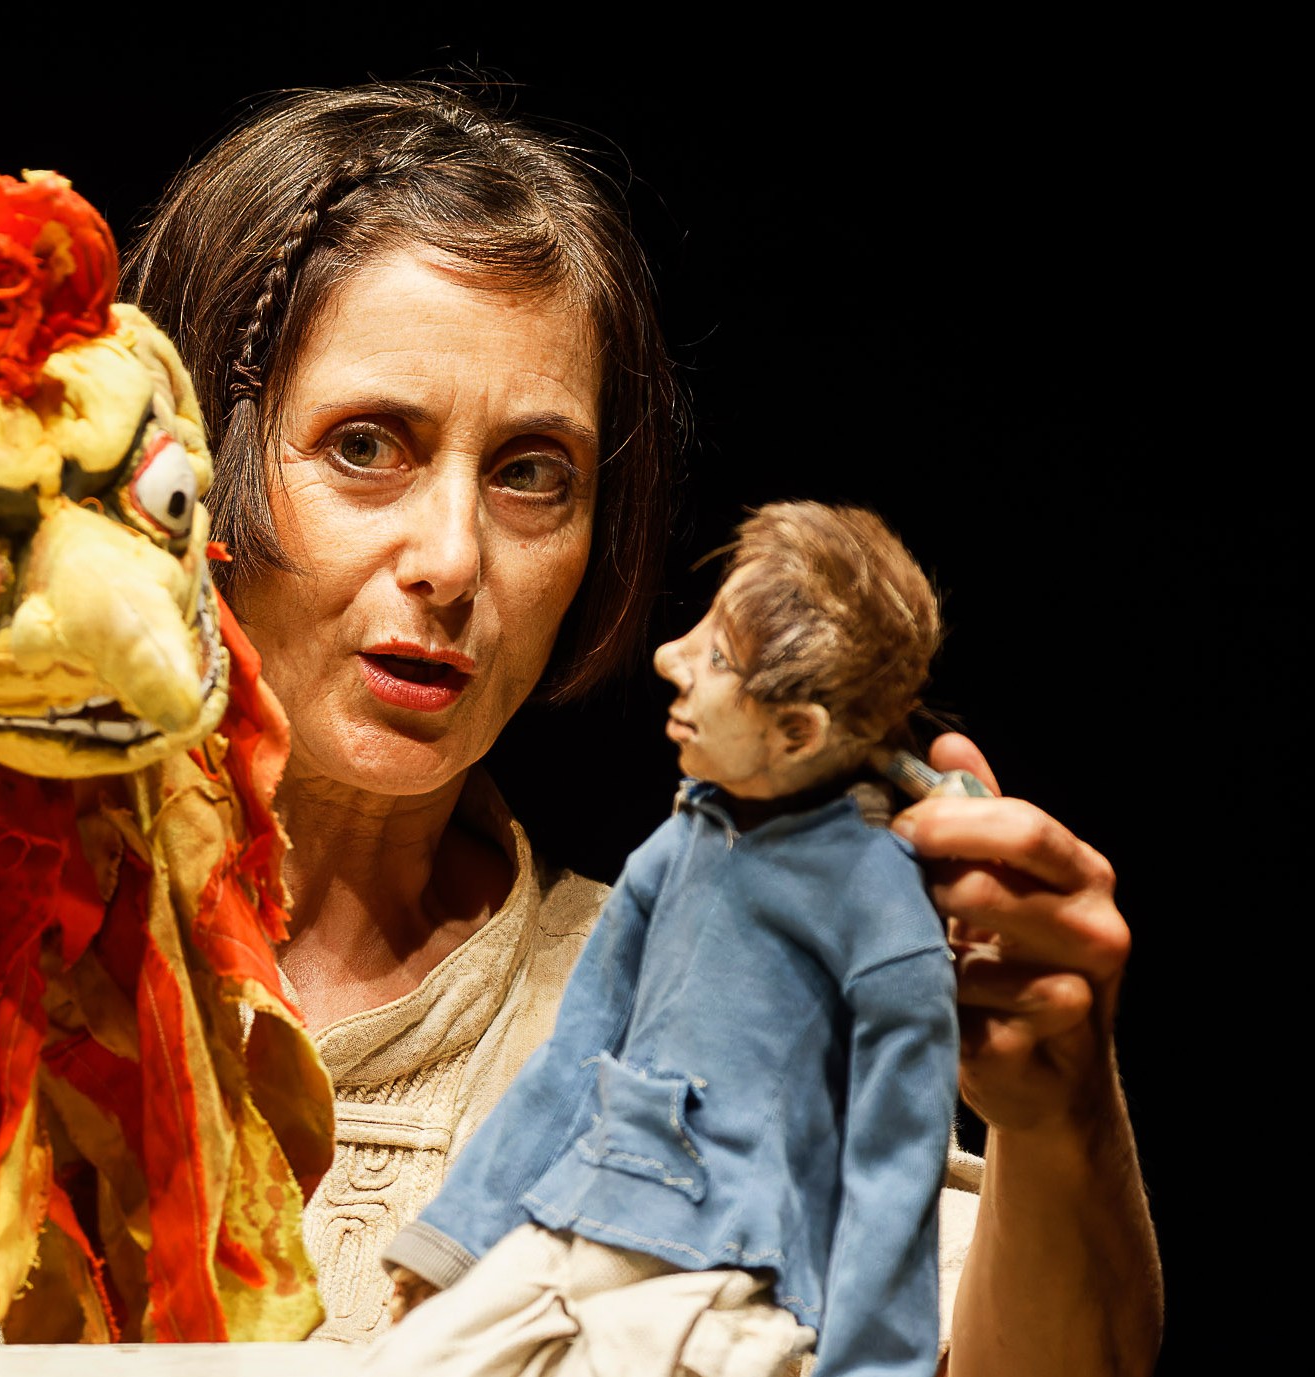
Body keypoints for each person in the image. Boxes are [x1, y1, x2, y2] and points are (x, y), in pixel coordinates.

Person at [122, 82, 1162, 1372]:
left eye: (529, 474)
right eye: (366, 447)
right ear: (175, 466)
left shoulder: (701, 987)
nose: (452, 559)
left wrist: (1055, 1115)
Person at [373, 502, 961, 1377]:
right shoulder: (683, 843)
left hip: (724, 1281)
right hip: (572, 1225)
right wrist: (458, 1237)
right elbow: (575, 1054)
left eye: (716, 657)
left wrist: (872, 1364)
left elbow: (895, 1165)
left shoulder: (882, 910)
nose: (669, 658)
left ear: (797, 732)